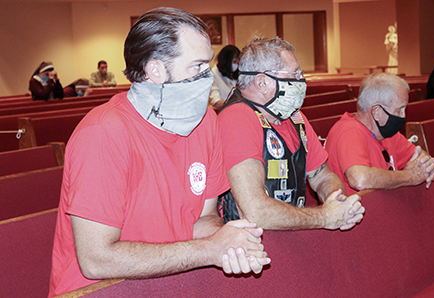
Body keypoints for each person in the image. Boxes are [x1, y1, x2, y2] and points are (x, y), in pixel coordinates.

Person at [49, 8, 270, 297]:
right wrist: (209, 250)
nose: (208, 77)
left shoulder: (205, 122)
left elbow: (202, 220)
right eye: (198, 66)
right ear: (156, 70)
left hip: (168, 279)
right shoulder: (103, 133)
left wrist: (230, 239)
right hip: (100, 290)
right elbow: (96, 260)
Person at [217, 37, 365, 231]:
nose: (301, 81)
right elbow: (255, 212)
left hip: (290, 234)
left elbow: (323, 177)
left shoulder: (295, 118)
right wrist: (324, 216)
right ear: (262, 82)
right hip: (251, 246)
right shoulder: (238, 118)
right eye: (295, 74)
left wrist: (337, 202)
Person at [325, 73, 434, 195]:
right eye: (399, 110)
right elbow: (360, 179)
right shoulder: (349, 131)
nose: (403, 116)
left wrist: (424, 169)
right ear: (377, 112)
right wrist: (409, 176)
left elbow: (419, 156)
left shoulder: (385, 132)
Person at [209, 45, 240, 109]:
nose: (236, 65)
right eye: (234, 62)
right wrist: (235, 104)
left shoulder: (234, 74)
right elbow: (216, 102)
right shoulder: (214, 75)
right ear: (226, 61)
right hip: (220, 112)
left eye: (238, 62)